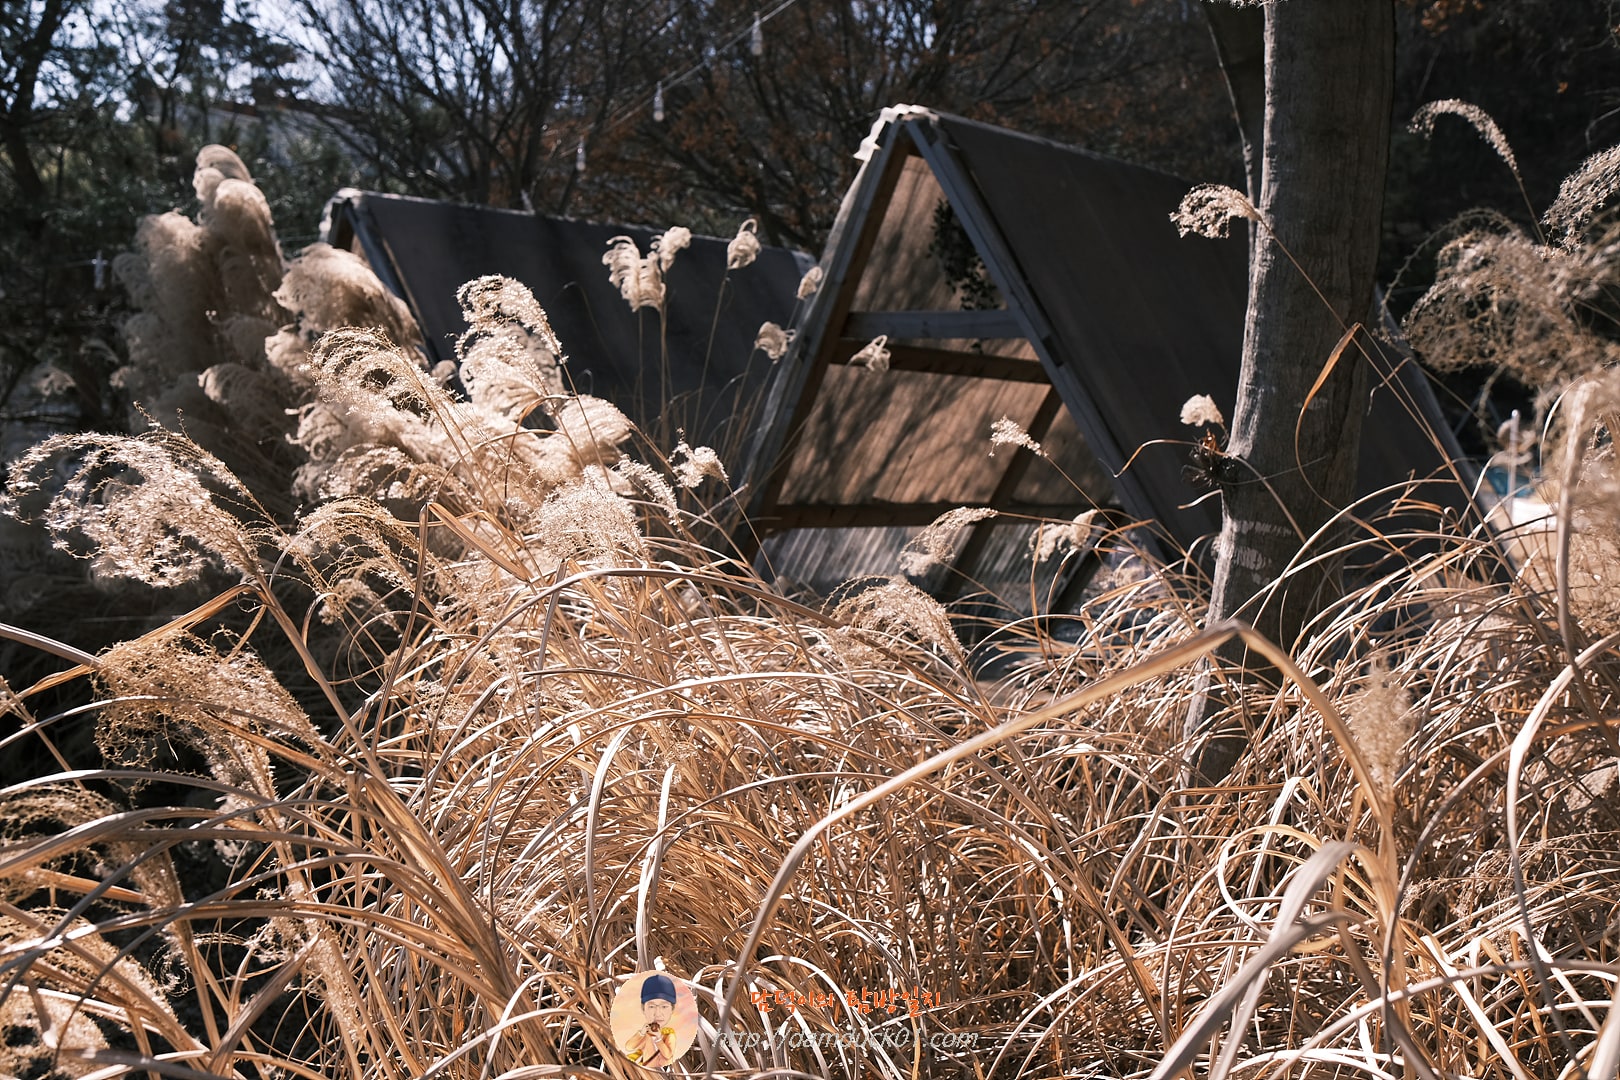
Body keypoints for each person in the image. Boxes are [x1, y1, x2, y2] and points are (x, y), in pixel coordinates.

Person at [623, 974, 679, 1068]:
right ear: (643, 1009)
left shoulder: (669, 1035)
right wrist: (641, 1033)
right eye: (652, 1007)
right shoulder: (647, 1034)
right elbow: (629, 1047)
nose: (657, 1013)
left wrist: (659, 1039)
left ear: (672, 1009)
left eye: (664, 1007)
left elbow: (668, 1055)